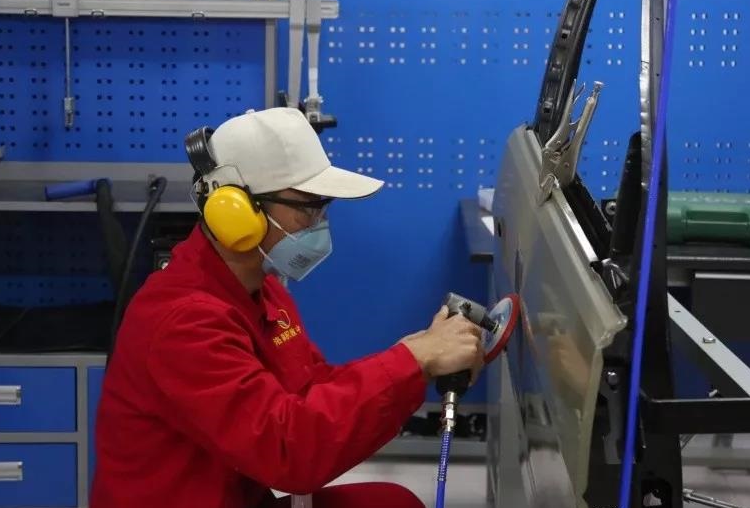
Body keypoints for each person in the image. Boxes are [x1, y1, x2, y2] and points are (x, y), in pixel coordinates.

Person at [91, 107, 484, 508]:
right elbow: (287, 450)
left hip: (238, 497)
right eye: (308, 207)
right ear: (235, 212)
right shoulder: (184, 322)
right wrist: (413, 361)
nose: (319, 223)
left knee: (390, 502)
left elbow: (311, 388)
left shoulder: (261, 290)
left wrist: (416, 356)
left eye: (323, 209)